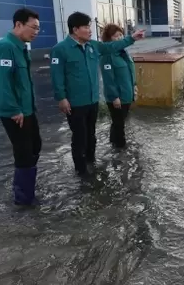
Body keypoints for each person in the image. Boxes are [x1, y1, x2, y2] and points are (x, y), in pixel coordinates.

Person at [49, 12, 145, 175]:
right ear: (75, 29)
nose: (90, 30)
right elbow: (56, 76)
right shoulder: (60, 50)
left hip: (92, 100)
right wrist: (62, 98)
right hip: (75, 102)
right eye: (86, 27)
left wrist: (132, 38)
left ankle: (91, 163)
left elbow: (111, 46)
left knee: (91, 134)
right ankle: (81, 171)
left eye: (90, 27)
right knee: (79, 137)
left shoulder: (93, 46)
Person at [0, 8, 41, 205]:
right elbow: (3, 82)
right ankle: (23, 198)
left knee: (35, 146)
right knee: (24, 152)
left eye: (38, 28)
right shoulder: (5, 47)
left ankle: (25, 185)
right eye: (33, 27)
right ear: (18, 24)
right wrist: (13, 110)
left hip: (26, 108)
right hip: (15, 111)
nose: (36, 32)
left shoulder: (20, 46)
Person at [99, 23, 137, 148]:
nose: (120, 38)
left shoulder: (123, 52)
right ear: (109, 39)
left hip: (126, 94)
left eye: (121, 35)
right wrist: (114, 96)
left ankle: (114, 146)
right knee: (118, 124)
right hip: (117, 97)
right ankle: (120, 150)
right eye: (116, 36)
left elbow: (130, 71)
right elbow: (108, 78)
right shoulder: (107, 55)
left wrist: (134, 85)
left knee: (118, 123)